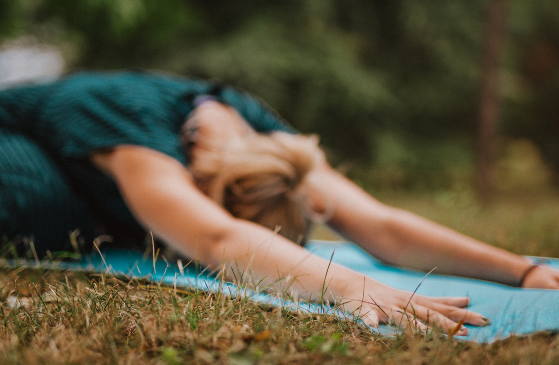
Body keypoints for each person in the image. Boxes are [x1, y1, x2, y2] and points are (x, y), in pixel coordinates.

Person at [1, 70, 558, 336]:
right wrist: (348, 284)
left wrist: (523, 269)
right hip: (21, 145)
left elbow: (380, 225)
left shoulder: (269, 145)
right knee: (44, 209)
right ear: (198, 179)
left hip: (101, 193)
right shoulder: (138, 131)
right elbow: (217, 239)